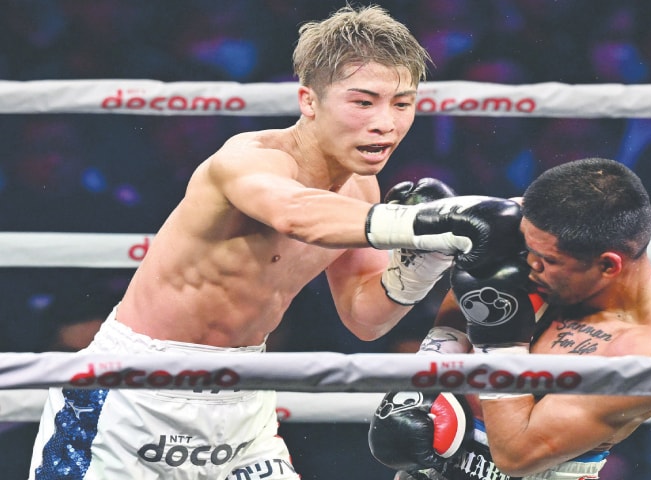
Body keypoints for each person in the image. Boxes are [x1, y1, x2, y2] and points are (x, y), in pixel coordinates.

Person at [28, 6, 521, 480]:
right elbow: (296, 214)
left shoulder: (360, 190)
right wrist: (425, 222)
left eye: (402, 103)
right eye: (363, 101)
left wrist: (424, 261)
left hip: (242, 397)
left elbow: (365, 318)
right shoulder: (248, 159)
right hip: (134, 389)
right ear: (309, 100)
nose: (386, 123)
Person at [369, 157, 651, 479]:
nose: (530, 264)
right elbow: (478, 294)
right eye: (530, 251)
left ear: (607, 266)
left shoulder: (644, 353)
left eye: (547, 260)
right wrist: (429, 375)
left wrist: (501, 345)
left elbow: (516, 455)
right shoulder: (541, 229)